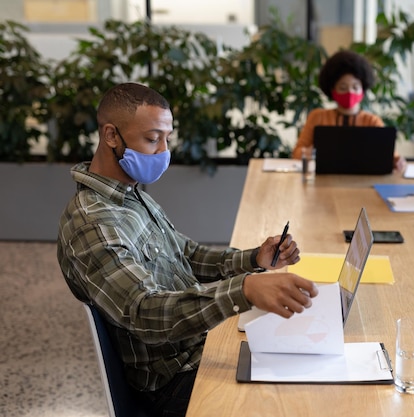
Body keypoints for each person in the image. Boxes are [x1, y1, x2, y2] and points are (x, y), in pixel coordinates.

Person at [56, 82, 319, 417]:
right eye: (152, 139)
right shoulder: (92, 223)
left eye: (167, 138)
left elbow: (189, 255)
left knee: (309, 366)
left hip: (198, 345)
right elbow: (143, 311)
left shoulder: (130, 195)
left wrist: (254, 259)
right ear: (111, 136)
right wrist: (245, 289)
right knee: (297, 402)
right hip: (174, 381)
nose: (164, 151)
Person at [291, 49, 406, 171]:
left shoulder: (372, 121)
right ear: (332, 90)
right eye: (343, 87)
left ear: (363, 89)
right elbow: (297, 153)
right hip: (325, 183)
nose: (350, 92)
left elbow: (390, 156)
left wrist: (397, 161)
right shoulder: (317, 117)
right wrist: (309, 152)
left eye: (355, 87)